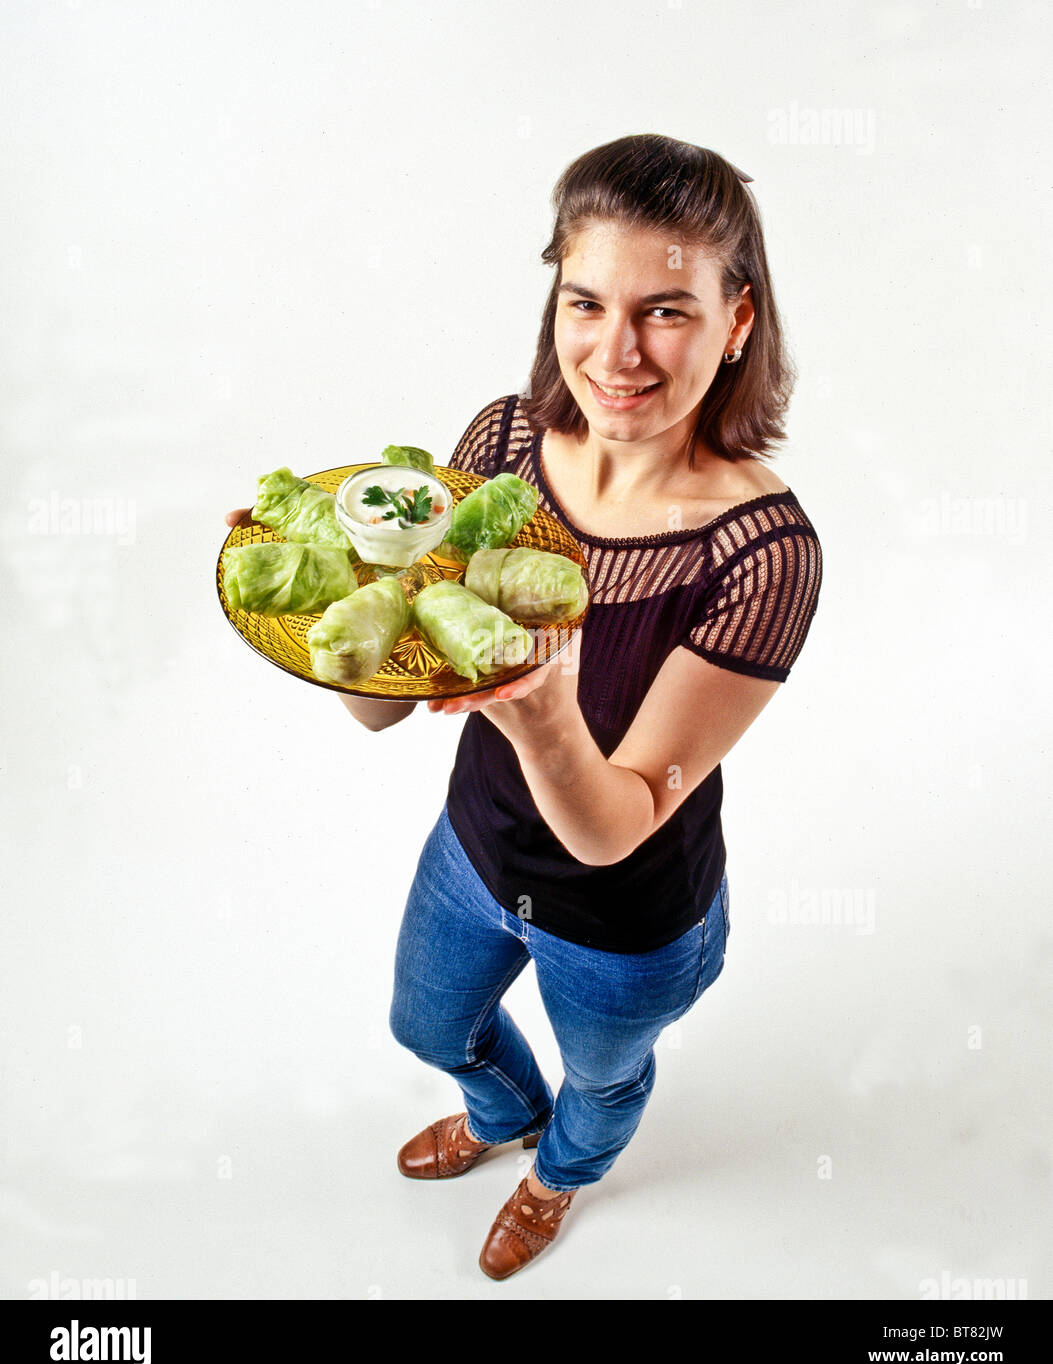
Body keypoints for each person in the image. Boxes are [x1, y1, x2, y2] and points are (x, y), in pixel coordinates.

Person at [226, 134, 823, 1282]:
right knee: (427, 1026)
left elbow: (615, 825)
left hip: (629, 921)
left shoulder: (764, 552)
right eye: (586, 300)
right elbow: (385, 714)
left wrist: (544, 706)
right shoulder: (500, 445)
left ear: (737, 320)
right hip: (475, 849)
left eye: (667, 310)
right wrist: (336, 593)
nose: (617, 354)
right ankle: (502, 1113)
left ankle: (558, 1174)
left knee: (602, 1080)